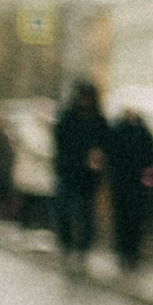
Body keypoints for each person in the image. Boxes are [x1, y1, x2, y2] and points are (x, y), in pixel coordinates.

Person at [49, 77, 107, 266]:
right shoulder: (68, 117)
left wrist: (97, 155)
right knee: (63, 210)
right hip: (68, 172)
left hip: (87, 176)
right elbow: (59, 140)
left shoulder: (98, 120)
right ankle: (66, 243)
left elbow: (105, 144)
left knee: (86, 212)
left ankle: (83, 246)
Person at [103, 105, 153, 270]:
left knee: (134, 219)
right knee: (123, 218)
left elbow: (151, 160)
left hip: (134, 184)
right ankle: (125, 252)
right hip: (124, 183)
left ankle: (131, 252)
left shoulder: (143, 133)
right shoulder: (121, 132)